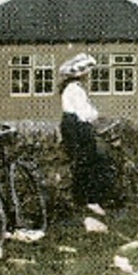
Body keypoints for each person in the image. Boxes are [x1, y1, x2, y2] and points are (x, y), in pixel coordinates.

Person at [58, 52, 109, 208]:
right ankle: (88, 200)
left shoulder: (72, 88)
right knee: (88, 161)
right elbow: (85, 113)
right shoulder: (75, 90)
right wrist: (96, 116)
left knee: (83, 162)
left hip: (73, 125)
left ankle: (84, 199)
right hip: (77, 127)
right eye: (86, 72)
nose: (88, 75)